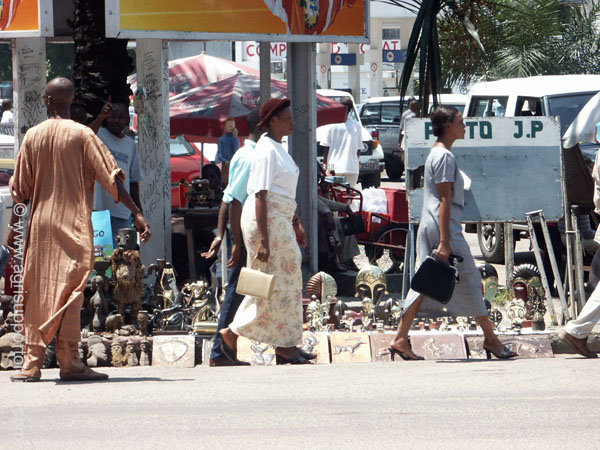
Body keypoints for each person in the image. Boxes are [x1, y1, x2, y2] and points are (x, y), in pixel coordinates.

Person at [7, 77, 151, 382]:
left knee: (39, 290)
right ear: (71, 101)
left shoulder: (33, 136)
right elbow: (112, 178)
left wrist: (12, 228)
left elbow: (20, 190)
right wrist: (136, 213)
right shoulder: (83, 134)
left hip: (41, 226)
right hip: (73, 227)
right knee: (71, 292)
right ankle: (69, 360)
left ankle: (31, 363)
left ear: (47, 101)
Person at [389, 106, 517, 361]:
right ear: (447, 125)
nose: (464, 125)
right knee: (469, 278)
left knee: (424, 281)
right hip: (443, 227)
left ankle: (401, 338)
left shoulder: (437, 154)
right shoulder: (445, 157)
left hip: (432, 223)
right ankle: (491, 340)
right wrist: (446, 242)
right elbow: (445, 199)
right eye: (460, 121)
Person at [218, 97, 310, 365]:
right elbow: (260, 194)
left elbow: (283, 192)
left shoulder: (278, 148)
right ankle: (237, 332)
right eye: (288, 118)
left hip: (280, 216)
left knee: (284, 279)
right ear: (272, 121)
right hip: (266, 219)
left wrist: (296, 222)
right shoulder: (266, 149)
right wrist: (264, 241)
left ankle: (285, 342)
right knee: (274, 280)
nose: (293, 122)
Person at [202, 110, 260, 366]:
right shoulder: (250, 157)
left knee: (249, 291)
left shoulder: (243, 153)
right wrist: (235, 242)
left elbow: (227, 196)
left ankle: (228, 348)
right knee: (240, 291)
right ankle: (221, 349)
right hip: (249, 236)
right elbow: (235, 199)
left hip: (248, 236)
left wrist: (219, 233)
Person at [91, 101, 144, 247]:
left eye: (120, 117)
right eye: (112, 116)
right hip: (98, 210)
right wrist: (101, 117)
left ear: (127, 120)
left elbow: (133, 183)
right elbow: (86, 136)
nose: (116, 120)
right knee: (100, 261)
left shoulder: (130, 144)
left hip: (122, 212)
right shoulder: (99, 135)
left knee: (121, 259)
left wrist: (138, 213)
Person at [321, 98, 362, 187]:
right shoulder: (356, 125)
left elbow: (326, 150)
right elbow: (358, 150)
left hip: (335, 169)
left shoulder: (331, 124)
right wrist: (354, 163)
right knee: (348, 197)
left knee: (336, 196)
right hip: (352, 169)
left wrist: (326, 169)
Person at [215, 117, 240, 186]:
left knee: (234, 182)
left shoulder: (236, 139)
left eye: (232, 125)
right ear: (225, 127)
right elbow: (219, 154)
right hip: (225, 165)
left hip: (234, 164)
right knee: (225, 182)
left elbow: (236, 151)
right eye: (229, 125)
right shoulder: (222, 139)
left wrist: (235, 137)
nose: (231, 126)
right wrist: (225, 161)